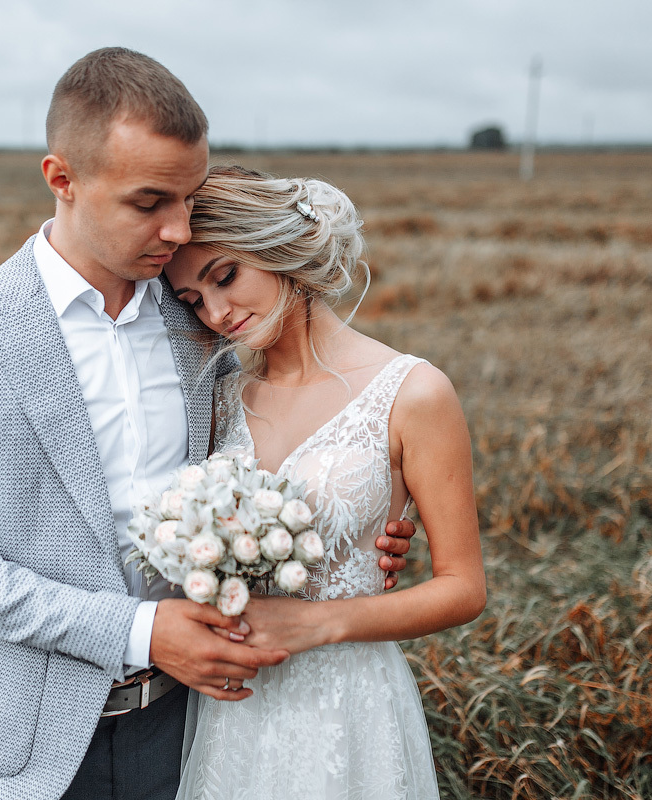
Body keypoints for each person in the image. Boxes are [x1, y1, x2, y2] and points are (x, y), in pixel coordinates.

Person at [0, 49, 416, 800]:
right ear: (62, 179)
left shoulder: (203, 320)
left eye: (189, 200)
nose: (177, 231)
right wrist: (140, 632)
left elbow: (281, 446)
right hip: (24, 754)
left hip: (200, 729)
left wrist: (372, 516)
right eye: (148, 203)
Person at [163, 166, 487, 799]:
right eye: (193, 301)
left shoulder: (413, 392)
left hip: (347, 704)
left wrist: (317, 624)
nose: (218, 311)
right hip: (234, 704)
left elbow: (463, 588)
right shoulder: (217, 396)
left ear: (278, 250)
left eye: (225, 276)